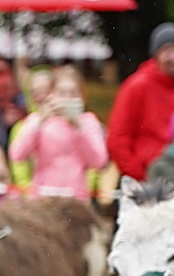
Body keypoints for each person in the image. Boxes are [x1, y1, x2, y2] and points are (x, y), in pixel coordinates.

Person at [105, 22, 174, 181]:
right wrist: (140, 176)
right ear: (156, 54)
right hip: (149, 178)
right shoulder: (136, 87)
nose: (173, 57)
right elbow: (118, 138)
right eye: (167, 51)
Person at [8, 66, 108, 199]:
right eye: (61, 93)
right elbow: (17, 155)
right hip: (43, 196)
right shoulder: (37, 119)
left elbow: (99, 161)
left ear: (81, 97)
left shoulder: (88, 121)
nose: (67, 98)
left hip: (75, 198)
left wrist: (78, 128)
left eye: (73, 93)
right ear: (52, 94)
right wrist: (40, 122)